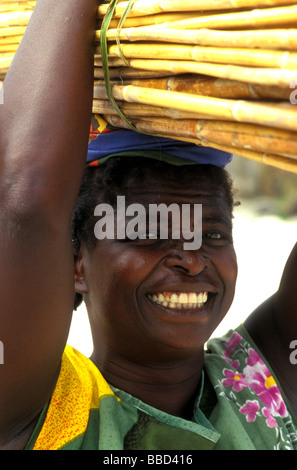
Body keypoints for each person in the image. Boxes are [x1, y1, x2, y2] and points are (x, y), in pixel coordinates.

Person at [0, 0, 296, 451]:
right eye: (150, 232)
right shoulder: (34, 408)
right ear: (75, 261)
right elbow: (26, 205)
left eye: (213, 233)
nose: (193, 258)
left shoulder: (265, 382)